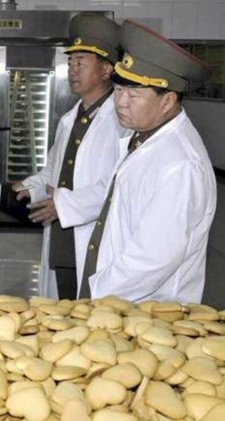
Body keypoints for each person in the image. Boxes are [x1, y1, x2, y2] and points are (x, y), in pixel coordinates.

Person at [79, 20, 216, 304]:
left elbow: (150, 260)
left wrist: (97, 296)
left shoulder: (180, 164)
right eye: (118, 90)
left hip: (145, 309)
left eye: (134, 94)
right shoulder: (144, 136)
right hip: (119, 299)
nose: (120, 102)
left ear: (167, 101)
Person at [13, 14, 127, 300]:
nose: (72, 70)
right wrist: (30, 186)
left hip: (93, 232)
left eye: (80, 63)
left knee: (90, 307)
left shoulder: (121, 121)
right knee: (62, 304)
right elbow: (53, 168)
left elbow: (119, 185)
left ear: (106, 69)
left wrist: (64, 205)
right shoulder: (70, 118)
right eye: (70, 63)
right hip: (63, 235)